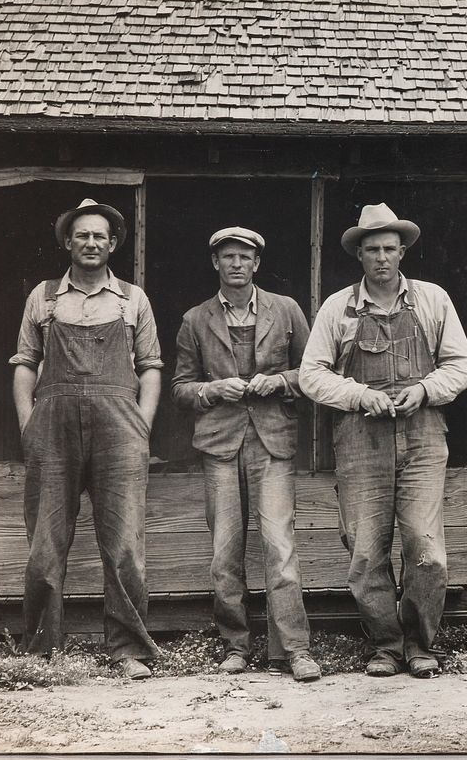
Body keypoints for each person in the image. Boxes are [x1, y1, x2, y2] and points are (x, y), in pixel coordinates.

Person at [300, 203, 467, 678]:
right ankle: (386, 645)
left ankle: (420, 643)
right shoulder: (339, 308)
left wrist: (424, 390)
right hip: (362, 442)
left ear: (403, 252)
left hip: (422, 438)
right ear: (359, 254)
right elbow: (311, 375)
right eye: (372, 249)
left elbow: (462, 365)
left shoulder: (433, 300)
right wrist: (359, 396)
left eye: (390, 249)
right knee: (364, 550)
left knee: (427, 548)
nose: (381, 258)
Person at [11, 198, 162, 679]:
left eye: (100, 235)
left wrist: (142, 425)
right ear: (68, 242)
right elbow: (24, 365)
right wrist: (27, 423)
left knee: (123, 543)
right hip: (52, 429)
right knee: (45, 545)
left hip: (119, 429)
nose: (91, 243)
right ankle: (40, 652)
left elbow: (152, 368)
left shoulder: (132, 299)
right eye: (82, 235)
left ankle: (130, 650)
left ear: (112, 243)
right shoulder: (44, 297)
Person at [172, 227, 321, 682]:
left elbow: (314, 372)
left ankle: (293, 649)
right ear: (215, 263)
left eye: (245, 257)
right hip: (220, 444)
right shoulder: (195, 319)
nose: (236, 264)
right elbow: (179, 390)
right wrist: (211, 389)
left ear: (258, 263)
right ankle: (235, 645)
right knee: (224, 552)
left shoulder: (287, 310)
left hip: (272, 441)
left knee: (279, 546)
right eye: (227, 257)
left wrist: (279, 382)